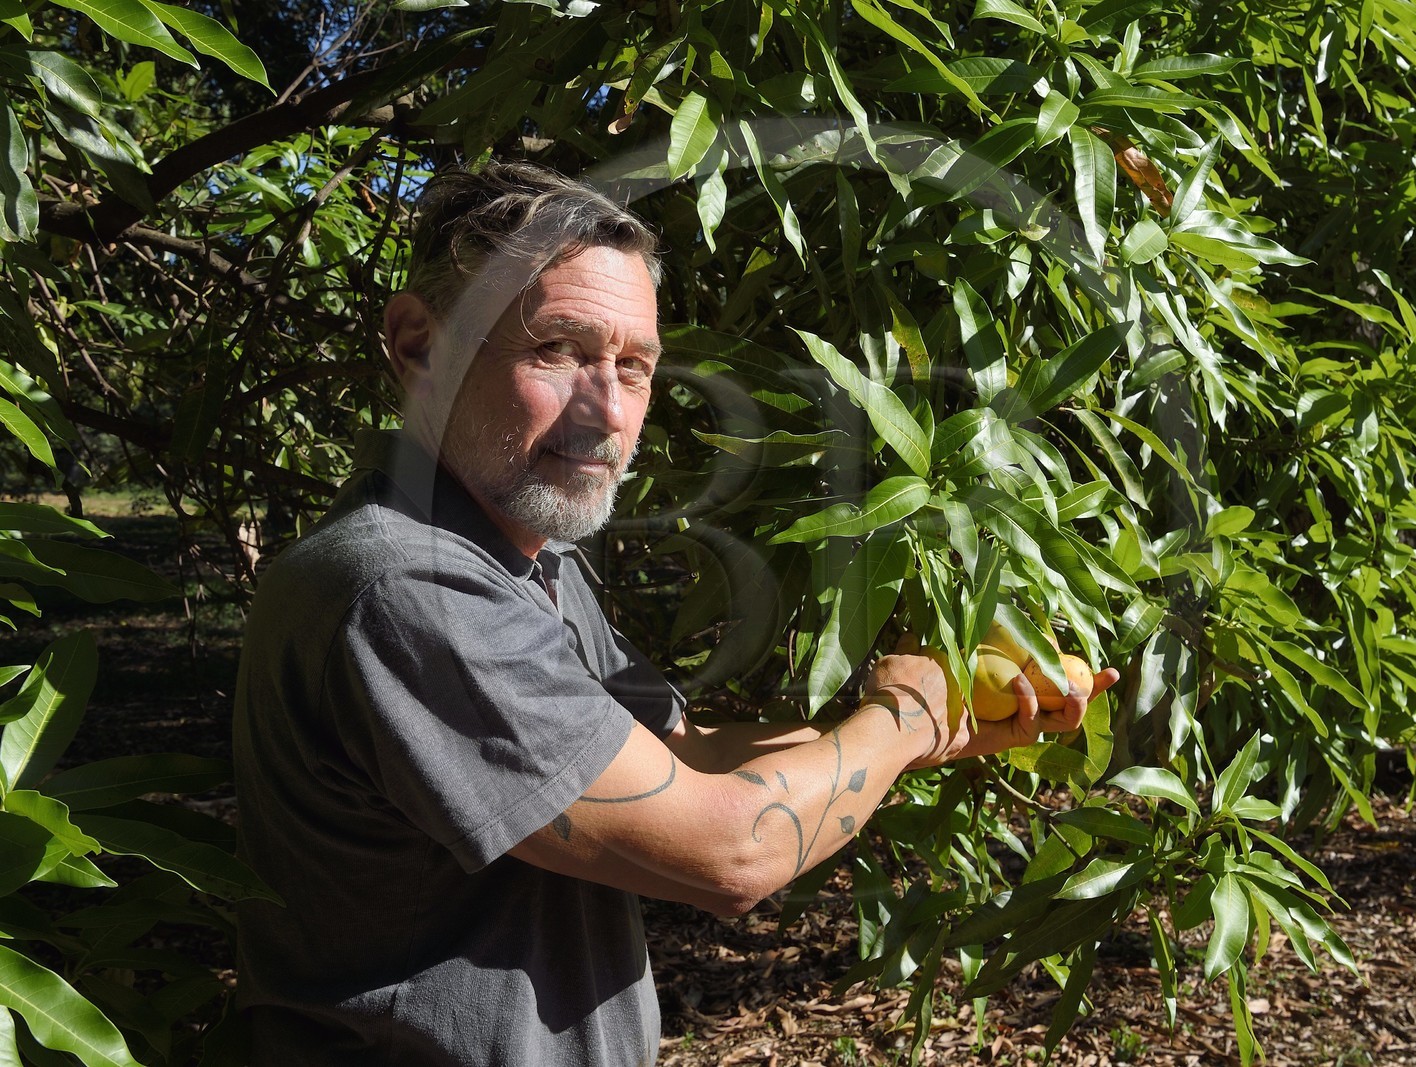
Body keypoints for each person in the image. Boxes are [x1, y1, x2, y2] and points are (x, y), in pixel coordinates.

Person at [231, 161, 1118, 1066]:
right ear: (418, 344)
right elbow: (731, 852)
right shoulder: (409, 588)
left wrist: (935, 726)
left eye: (635, 365)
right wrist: (904, 715)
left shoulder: (520, 557)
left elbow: (681, 757)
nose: (608, 410)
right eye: (559, 351)